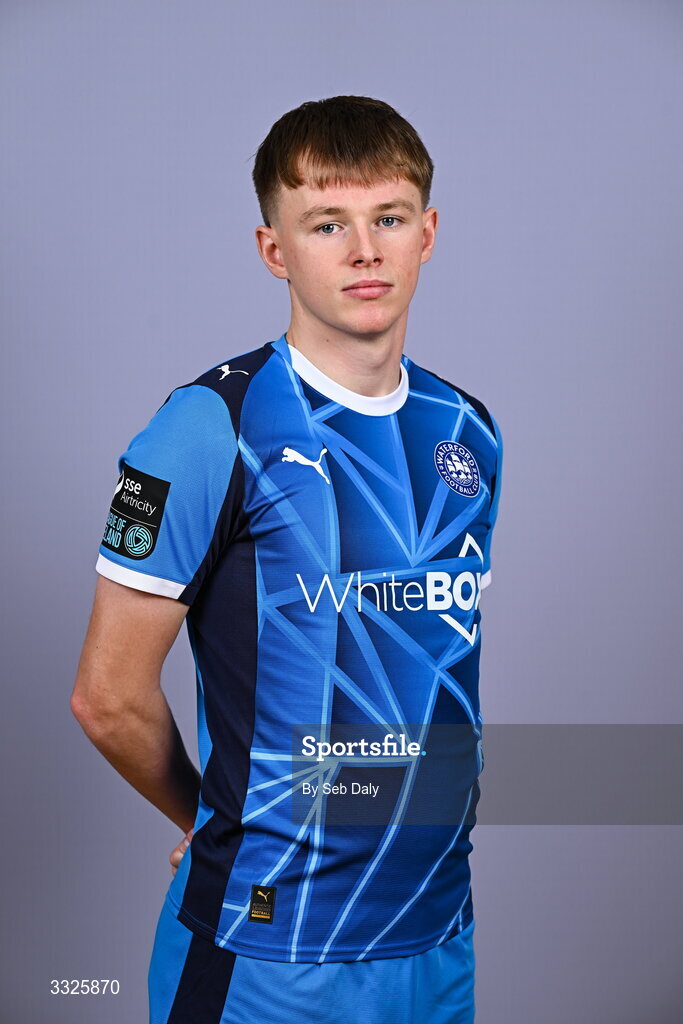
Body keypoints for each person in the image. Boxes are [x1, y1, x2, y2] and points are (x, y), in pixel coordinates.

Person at [71, 94, 503, 1024]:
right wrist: (205, 816)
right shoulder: (206, 429)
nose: (364, 250)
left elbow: (434, 683)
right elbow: (107, 697)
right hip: (269, 950)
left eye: (387, 218)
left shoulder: (466, 431)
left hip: (436, 938)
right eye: (325, 223)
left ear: (426, 234)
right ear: (276, 250)